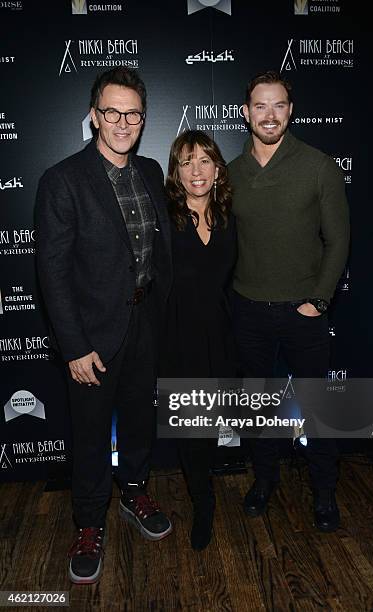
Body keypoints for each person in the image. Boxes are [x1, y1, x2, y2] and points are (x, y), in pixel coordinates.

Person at [35, 67, 172, 585]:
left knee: (138, 421)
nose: (122, 122)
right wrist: (73, 345)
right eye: (111, 112)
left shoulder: (153, 172)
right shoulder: (63, 180)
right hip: (91, 334)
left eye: (132, 113)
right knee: (91, 435)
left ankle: (134, 492)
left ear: (142, 119)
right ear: (94, 116)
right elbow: (52, 270)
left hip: (145, 322)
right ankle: (89, 523)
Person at [228, 71, 349, 531]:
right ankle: (263, 482)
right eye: (260, 106)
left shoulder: (319, 166)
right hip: (249, 310)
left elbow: (338, 241)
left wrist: (318, 301)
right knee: (257, 408)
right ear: (246, 113)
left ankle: (324, 493)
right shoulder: (231, 173)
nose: (269, 115)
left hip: (304, 312)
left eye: (278, 105)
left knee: (317, 408)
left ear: (290, 111)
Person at [162, 130, 236, 550]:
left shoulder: (228, 214)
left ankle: (205, 486)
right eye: (187, 161)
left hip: (221, 332)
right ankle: (203, 502)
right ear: (177, 168)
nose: (196, 170)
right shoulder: (165, 214)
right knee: (191, 428)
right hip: (177, 334)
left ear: (217, 168)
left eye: (205, 161)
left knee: (209, 423)